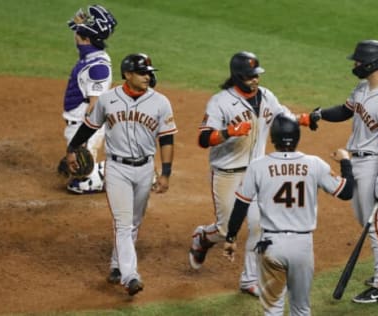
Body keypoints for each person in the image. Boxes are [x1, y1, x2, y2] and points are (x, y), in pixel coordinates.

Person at [189, 51, 309, 297]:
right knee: (224, 231)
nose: (255, 80)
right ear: (237, 76)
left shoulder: (267, 96)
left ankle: (249, 280)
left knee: (258, 226)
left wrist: (303, 119)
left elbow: (282, 116)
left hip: (256, 173)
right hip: (227, 173)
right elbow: (203, 139)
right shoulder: (220, 102)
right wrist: (229, 132)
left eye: (257, 75)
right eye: (249, 76)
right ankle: (202, 237)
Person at [66, 53, 177, 296]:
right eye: (142, 72)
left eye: (149, 72)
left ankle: (117, 265)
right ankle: (130, 276)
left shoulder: (160, 102)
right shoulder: (108, 99)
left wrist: (166, 172)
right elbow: (89, 126)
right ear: (127, 74)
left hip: (146, 168)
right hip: (117, 169)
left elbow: (167, 139)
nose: (148, 76)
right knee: (123, 223)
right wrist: (72, 147)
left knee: (134, 222)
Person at [223, 113, 354, 316]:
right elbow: (346, 193)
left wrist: (231, 237)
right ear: (297, 137)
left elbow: (241, 205)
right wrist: (345, 162)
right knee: (301, 309)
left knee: (273, 310)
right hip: (303, 247)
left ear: (273, 139)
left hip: (271, 246)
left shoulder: (258, 166)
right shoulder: (315, 164)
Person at [308, 39, 378, 303]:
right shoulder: (364, 87)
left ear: (371, 63)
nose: (354, 64)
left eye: (358, 61)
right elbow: (345, 111)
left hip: (376, 164)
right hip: (360, 162)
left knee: (375, 224)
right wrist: (319, 114)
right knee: (370, 221)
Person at [58, 4, 117, 194]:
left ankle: (131, 174)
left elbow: (95, 106)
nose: (75, 35)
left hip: (84, 123)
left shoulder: (97, 68)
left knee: (79, 182)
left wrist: (83, 139)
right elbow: (82, 34)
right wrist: (79, 24)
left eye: (79, 33)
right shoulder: (92, 54)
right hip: (79, 122)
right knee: (74, 167)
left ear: (86, 39)